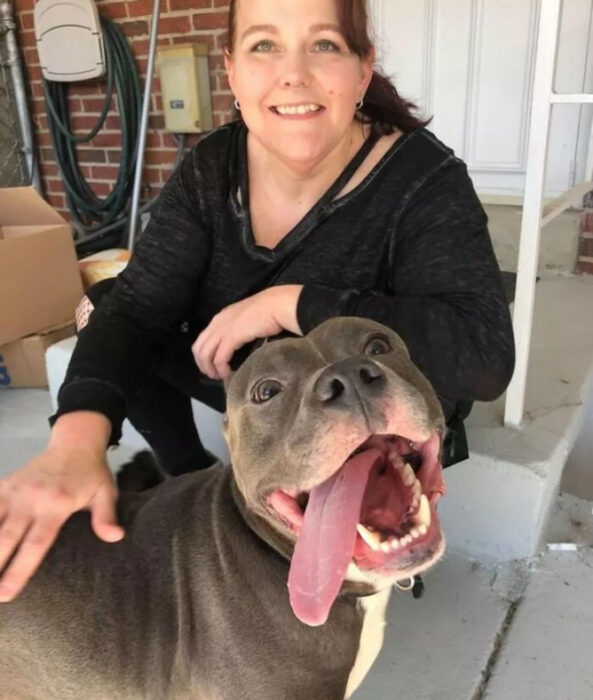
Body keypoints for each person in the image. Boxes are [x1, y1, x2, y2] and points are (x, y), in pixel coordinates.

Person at [0, 0, 514, 603]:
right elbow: (136, 312)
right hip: (263, 389)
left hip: (378, 401)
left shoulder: (424, 179)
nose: (292, 74)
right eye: (264, 46)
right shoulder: (212, 167)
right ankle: (191, 476)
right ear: (233, 72)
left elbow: (481, 355)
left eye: (324, 44)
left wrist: (290, 303)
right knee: (109, 304)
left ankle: (385, 512)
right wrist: (74, 440)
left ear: (363, 68)